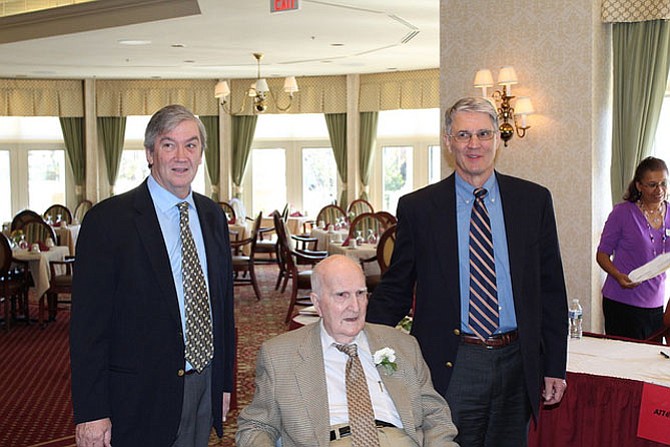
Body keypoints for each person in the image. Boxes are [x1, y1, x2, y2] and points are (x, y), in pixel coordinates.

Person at [366, 96, 569, 446]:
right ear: (448, 141)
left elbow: (551, 290)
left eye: (483, 134)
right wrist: (357, 334)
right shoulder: (419, 208)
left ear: (495, 139)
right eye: (463, 135)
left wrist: (554, 366)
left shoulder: (533, 201)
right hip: (453, 363)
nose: (474, 145)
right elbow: (397, 288)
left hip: (518, 362)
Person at [70, 104, 235, 447]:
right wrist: (92, 411)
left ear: (201, 154)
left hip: (203, 385)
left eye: (191, 145)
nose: (181, 156)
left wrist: (223, 382)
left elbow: (224, 310)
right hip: (138, 396)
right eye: (168, 144)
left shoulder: (212, 216)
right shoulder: (109, 221)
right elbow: (88, 329)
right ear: (149, 153)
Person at [236, 255, 459, 447]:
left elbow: (435, 415)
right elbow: (256, 425)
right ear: (317, 302)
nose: (355, 306)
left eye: (360, 293)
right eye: (341, 295)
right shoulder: (280, 355)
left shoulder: (402, 344)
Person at [597, 156, 669, 340]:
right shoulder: (622, 213)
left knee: (648, 362)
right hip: (622, 301)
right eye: (652, 184)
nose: (659, 190)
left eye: (663, 183)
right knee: (621, 363)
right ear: (639, 186)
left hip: (655, 303)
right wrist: (618, 275)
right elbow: (602, 255)